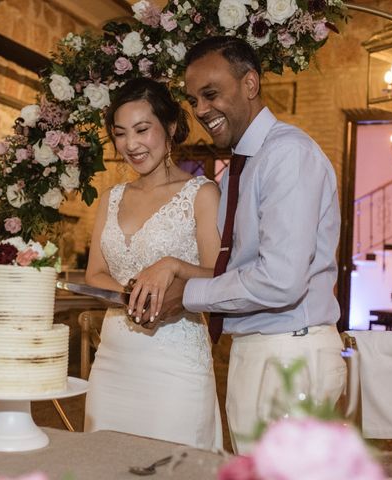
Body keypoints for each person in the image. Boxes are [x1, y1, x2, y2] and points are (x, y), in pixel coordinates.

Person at [130, 36, 345, 453]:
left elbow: (280, 281)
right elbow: (238, 269)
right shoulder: (237, 172)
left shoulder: (288, 155)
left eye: (211, 94)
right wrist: (173, 267)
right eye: (194, 100)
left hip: (289, 356)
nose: (201, 110)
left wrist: (187, 293)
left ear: (250, 84)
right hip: (259, 352)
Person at [83, 77, 223, 450]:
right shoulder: (111, 198)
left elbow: (220, 278)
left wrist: (174, 265)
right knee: (103, 464)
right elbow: (95, 273)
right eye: (120, 133)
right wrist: (135, 295)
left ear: (171, 127)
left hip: (175, 365)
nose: (131, 144)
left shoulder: (202, 194)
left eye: (142, 129)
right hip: (113, 362)